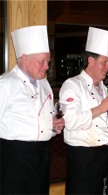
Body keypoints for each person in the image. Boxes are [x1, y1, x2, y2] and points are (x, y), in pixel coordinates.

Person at [59, 27, 108, 195]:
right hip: (84, 156)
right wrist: (101, 108)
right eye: (104, 62)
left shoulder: (106, 90)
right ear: (90, 60)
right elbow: (70, 121)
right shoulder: (72, 85)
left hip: (106, 154)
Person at [0, 25, 65, 194]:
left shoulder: (44, 83)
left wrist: (54, 126)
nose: (47, 67)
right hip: (14, 156)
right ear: (25, 58)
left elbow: (43, 118)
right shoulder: (5, 84)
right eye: (42, 61)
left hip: (42, 154)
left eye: (48, 61)